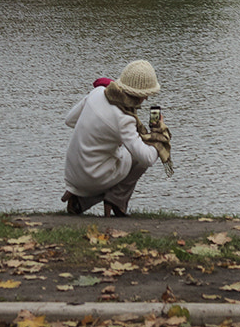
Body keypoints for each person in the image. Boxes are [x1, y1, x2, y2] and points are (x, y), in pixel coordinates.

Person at [61, 59, 173, 217]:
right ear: (138, 94)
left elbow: (70, 120)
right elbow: (147, 158)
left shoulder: (98, 92)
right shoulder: (124, 119)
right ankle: (115, 200)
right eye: (146, 94)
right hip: (91, 176)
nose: (146, 99)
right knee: (141, 154)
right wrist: (159, 135)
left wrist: (104, 134)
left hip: (72, 173)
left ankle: (79, 200)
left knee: (127, 149)